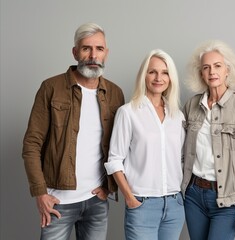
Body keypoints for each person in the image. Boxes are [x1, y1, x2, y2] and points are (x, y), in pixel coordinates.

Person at [22, 23, 125, 240]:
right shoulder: (51, 87)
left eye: (99, 49)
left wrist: (110, 187)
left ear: (106, 53)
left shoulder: (115, 93)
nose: (93, 55)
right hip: (58, 202)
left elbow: (121, 146)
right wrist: (40, 193)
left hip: (97, 202)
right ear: (75, 52)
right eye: (86, 48)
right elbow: (32, 144)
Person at [181, 40, 235, 240]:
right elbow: (180, 151)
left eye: (218, 66)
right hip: (193, 195)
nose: (212, 71)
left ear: (228, 70)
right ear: (201, 73)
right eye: (206, 67)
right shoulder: (191, 105)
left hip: (228, 198)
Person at [104, 49, 185, 240]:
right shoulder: (128, 112)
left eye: (165, 72)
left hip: (175, 206)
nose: (159, 78)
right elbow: (115, 160)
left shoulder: (177, 115)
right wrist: (130, 199)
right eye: (152, 72)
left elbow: (182, 158)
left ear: (171, 78)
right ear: (144, 76)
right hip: (142, 205)